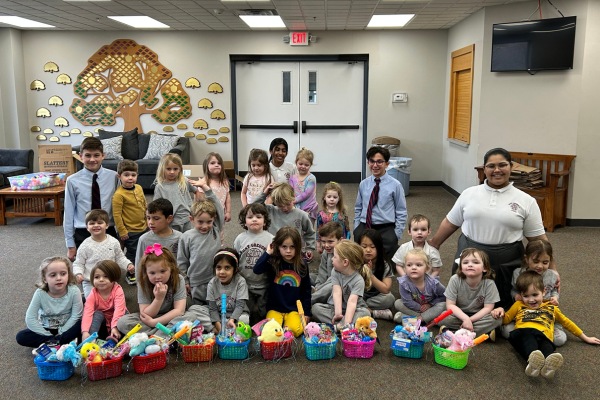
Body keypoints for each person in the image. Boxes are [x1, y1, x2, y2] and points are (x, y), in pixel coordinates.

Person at [429, 148, 551, 310]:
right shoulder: (469, 194)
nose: (497, 170)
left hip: (506, 260)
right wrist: (434, 244)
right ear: (484, 169)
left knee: (502, 307)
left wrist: (553, 270)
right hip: (470, 255)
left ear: (512, 166)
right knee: (463, 302)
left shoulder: (526, 200)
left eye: (502, 165)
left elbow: (537, 239)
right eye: (491, 166)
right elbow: (451, 223)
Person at [501, 271, 600, 379]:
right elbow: (506, 319)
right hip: (523, 332)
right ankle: (533, 361)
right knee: (529, 342)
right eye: (526, 296)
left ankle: (547, 367)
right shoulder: (518, 304)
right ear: (521, 296)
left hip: (544, 335)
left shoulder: (552, 307)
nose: (531, 300)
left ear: (543, 292)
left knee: (547, 346)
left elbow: (567, 323)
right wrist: (499, 312)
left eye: (535, 295)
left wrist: (586, 338)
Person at [116, 245, 211, 335]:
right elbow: (145, 314)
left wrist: (154, 323)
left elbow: (179, 311)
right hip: (150, 318)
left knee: (191, 316)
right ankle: (164, 335)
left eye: (162, 271)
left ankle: (153, 337)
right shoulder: (143, 283)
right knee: (122, 322)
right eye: (152, 273)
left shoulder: (178, 279)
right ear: (146, 272)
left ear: (171, 268)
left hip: (172, 317)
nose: (158, 277)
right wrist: (158, 299)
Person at [64, 137, 119, 262]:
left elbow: (120, 207)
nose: (92, 159)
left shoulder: (114, 177)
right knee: (86, 271)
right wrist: (70, 244)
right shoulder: (72, 181)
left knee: (109, 269)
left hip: (108, 228)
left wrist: (121, 234)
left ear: (103, 156)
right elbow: (68, 212)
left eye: (96, 155)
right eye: (87, 155)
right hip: (83, 230)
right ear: (80, 156)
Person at [503, 239, 565, 345]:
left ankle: (538, 333)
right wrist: (516, 296)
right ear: (526, 259)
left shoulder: (552, 275)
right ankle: (535, 334)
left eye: (545, 262)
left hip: (545, 314)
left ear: (550, 260)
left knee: (559, 340)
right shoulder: (518, 273)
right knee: (507, 332)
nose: (540, 266)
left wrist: (555, 298)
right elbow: (513, 290)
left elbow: (554, 290)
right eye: (535, 262)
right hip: (524, 313)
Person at [253, 227, 312, 337]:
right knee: (270, 329)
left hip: (294, 310)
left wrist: (307, 313)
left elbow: (306, 290)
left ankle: (285, 332)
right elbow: (257, 270)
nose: (288, 251)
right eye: (284, 247)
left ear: (298, 247)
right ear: (277, 246)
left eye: (292, 247)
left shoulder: (302, 265)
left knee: (295, 329)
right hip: (275, 308)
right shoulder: (273, 262)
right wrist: (268, 253)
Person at [16, 256, 83, 350]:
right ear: (44, 279)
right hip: (46, 329)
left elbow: (76, 316)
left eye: (63, 274)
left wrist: (62, 331)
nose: (59, 278)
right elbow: (30, 318)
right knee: (21, 336)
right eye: (53, 275)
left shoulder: (74, 291)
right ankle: (59, 342)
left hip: (67, 327)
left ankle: (53, 343)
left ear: (68, 275)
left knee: (83, 323)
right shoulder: (40, 293)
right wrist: (46, 334)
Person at [354, 146, 407, 259]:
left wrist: (396, 234)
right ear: (368, 162)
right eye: (372, 161)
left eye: (379, 162)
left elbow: (401, 211)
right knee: (360, 255)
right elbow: (358, 207)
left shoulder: (395, 185)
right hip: (365, 224)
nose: (375, 165)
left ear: (387, 164)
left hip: (385, 226)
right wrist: (356, 227)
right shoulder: (364, 184)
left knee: (386, 258)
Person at [177, 177, 224, 305]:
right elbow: (182, 261)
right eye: (200, 222)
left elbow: (219, 208)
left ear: (214, 219)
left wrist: (206, 189)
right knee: (198, 309)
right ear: (191, 219)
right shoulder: (186, 237)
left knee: (216, 307)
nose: (205, 226)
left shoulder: (215, 229)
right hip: (196, 282)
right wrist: (185, 281)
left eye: (209, 221)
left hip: (215, 278)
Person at [440, 248, 503, 337]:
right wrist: (465, 319)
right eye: (465, 263)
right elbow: (450, 305)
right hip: (458, 315)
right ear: (461, 268)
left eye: (475, 262)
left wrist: (470, 320)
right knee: (443, 316)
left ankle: (453, 333)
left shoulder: (489, 283)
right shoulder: (455, 279)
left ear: (484, 268)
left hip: (479, 316)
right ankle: (479, 333)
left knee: (497, 319)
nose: (470, 265)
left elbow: (488, 308)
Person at [72, 209, 134, 298]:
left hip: (109, 279)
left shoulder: (113, 242)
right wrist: (78, 273)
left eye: (100, 223)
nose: (96, 225)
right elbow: (78, 263)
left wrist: (128, 264)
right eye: (92, 223)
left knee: (115, 299)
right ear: (87, 227)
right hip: (91, 281)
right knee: (92, 301)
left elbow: (120, 257)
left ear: (107, 225)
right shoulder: (85, 245)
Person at [311, 240, 371, 328]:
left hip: (353, 310)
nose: (332, 259)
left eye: (334, 257)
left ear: (345, 262)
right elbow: (336, 292)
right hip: (335, 308)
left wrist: (346, 322)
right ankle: (343, 326)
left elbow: (352, 302)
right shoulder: (335, 272)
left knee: (366, 313)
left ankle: (342, 326)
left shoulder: (358, 280)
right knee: (316, 308)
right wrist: (338, 313)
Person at [233, 203, 273, 321]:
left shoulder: (271, 238)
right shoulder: (240, 239)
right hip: (245, 283)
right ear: (245, 222)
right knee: (246, 311)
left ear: (265, 221)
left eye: (258, 217)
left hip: (264, 283)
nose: (254, 219)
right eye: (250, 217)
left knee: (263, 312)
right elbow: (234, 260)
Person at [257, 182, 316, 262]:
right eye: (280, 205)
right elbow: (253, 207)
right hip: (273, 252)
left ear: (293, 197)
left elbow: (310, 232)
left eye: (288, 204)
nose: (285, 208)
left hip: (293, 253)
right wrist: (264, 194)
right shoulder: (270, 210)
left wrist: (310, 248)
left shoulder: (302, 215)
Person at [112, 159, 147, 285]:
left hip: (143, 227)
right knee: (133, 253)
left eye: (133, 175)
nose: (130, 178)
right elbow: (117, 215)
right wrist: (122, 231)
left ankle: (141, 270)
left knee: (144, 250)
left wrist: (147, 220)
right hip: (130, 231)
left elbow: (144, 204)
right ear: (119, 176)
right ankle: (131, 274)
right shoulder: (119, 195)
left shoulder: (139, 188)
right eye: (126, 175)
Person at [394, 249, 446, 324]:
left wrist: (430, 305)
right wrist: (420, 308)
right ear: (405, 268)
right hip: (415, 308)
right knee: (398, 303)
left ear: (427, 268)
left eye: (418, 265)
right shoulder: (403, 282)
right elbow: (407, 301)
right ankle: (425, 318)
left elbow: (444, 296)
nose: (413, 268)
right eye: (409, 265)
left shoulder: (433, 283)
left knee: (443, 305)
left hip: (430, 307)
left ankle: (414, 319)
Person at [81, 260, 127, 341]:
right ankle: (91, 338)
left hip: (117, 319)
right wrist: (85, 331)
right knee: (97, 314)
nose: (101, 280)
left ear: (114, 277)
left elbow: (119, 310)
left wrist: (114, 327)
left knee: (124, 317)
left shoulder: (118, 290)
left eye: (106, 276)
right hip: (103, 322)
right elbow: (88, 312)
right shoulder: (93, 292)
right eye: (97, 277)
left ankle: (115, 338)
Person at [207, 248, 250, 335]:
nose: (222, 272)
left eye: (227, 268)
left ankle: (233, 332)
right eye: (219, 268)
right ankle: (217, 330)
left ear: (235, 269)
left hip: (236, 317)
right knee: (196, 309)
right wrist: (220, 327)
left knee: (244, 319)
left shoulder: (240, 282)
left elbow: (240, 306)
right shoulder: (212, 283)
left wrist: (232, 320)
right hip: (219, 318)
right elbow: (212, 309)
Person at [153, 153, 198, 232]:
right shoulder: (159, 187)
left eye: (175, 169)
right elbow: (156, 206)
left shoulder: (184, 180)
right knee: (174, 242)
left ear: (180, 169)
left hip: (187, 218)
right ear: (162, 169)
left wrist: (195, 207)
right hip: (171, 221)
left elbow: (197, 191)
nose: (172, 172)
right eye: (168, 169)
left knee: (188, 240)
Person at [357, 229, 395, 320]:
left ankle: (365, 310)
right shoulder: (356, 262)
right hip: (357, 295)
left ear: (379, 248)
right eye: (364, 246)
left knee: (390, 298)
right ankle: (373, 312)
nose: (368, 250)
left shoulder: (384, 264)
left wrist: (370, 275)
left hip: (374, 298)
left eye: (372, 247)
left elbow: (386, 289)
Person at [135, 198, 182, 268]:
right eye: (148, 218)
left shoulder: (180, 238)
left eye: (156, 218)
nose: (150, 222)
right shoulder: (144, 239)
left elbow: (183, 263)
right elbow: (139, 265)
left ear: (169, 218)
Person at [393, 214, 442, 278]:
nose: (419, 232)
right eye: (415, 229)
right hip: (407, 282)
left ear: (429, 231)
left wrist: (428, 282)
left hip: (427, 283)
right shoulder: (403, 248)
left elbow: (436, 270)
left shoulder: (433, 252)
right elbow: (398, 265)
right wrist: (405, 278)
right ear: (409, 232)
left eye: (423, 229)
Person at [198, 152, 231, 245]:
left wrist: (228, 212)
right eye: (212, 163)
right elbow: (199, 199)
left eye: (219, 163)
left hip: (220, 215)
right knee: (206, 233)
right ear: (206, 166)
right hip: (207, 215)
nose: (216, 165)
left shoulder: (224, 181)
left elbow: (227, 197)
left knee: (219, 233)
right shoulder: (203, 182)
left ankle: (218, 247)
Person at [315, 181, 351, 253]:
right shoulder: (321, 214)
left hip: (340, 243)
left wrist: (347, 240)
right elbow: (319, 229)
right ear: (324, 198)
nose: (332, 199)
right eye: (329, 197)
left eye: (335, 197)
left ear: (339, 198)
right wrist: (318, 243)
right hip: (327, 243)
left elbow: (347, 228)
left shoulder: (342, 213)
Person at [289, 147, 318, 222]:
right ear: (296, 163)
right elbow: (290, 191)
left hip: (309, 208)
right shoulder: (292, 178)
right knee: (297, 227)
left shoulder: (311, 178)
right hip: (296, 207)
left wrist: (294, 200)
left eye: (306, 165)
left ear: (310, 165)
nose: (303, 167)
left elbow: (307, 194)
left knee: (308, 228)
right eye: (300, 164)